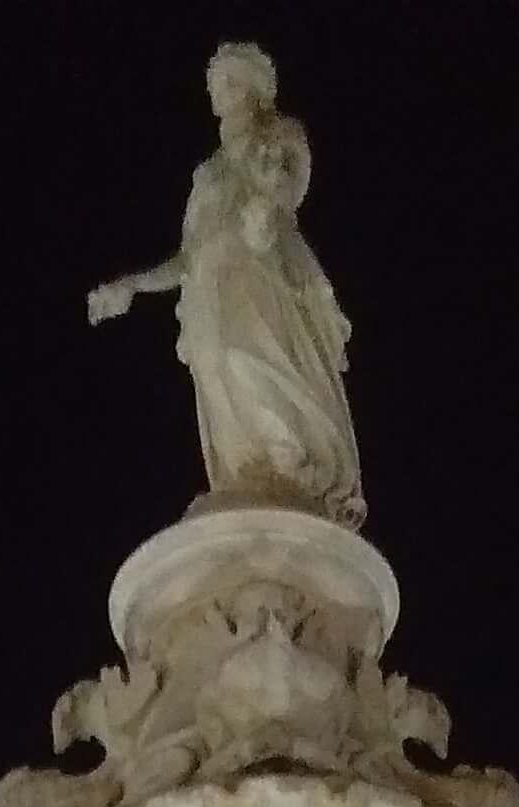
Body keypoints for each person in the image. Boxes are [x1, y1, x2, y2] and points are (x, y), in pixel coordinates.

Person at [88, 42, 363, 528]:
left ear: (258, 89)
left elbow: (285, 187)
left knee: (253, 361)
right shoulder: (208, 173)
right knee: (219, 378)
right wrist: (130, 286)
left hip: (260, 272)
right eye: (216, 84)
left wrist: (264, 211)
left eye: (232, 81)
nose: (221, 92)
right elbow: (189, 255)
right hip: (208, 289)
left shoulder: (278, 134)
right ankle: (247, 478)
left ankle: (291, 470)